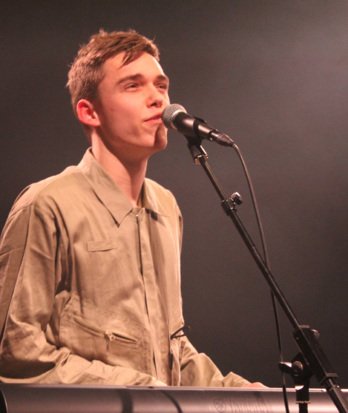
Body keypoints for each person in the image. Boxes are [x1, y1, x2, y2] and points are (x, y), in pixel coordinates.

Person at [0, 29, 259, 387]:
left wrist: (248, 397)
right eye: (133, 86)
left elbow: (171, 350)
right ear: (89, 112)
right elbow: (16, 350)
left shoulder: (166, 207)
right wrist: (139, 389)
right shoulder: (46, 204)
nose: (158, 99)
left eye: (161, 85)